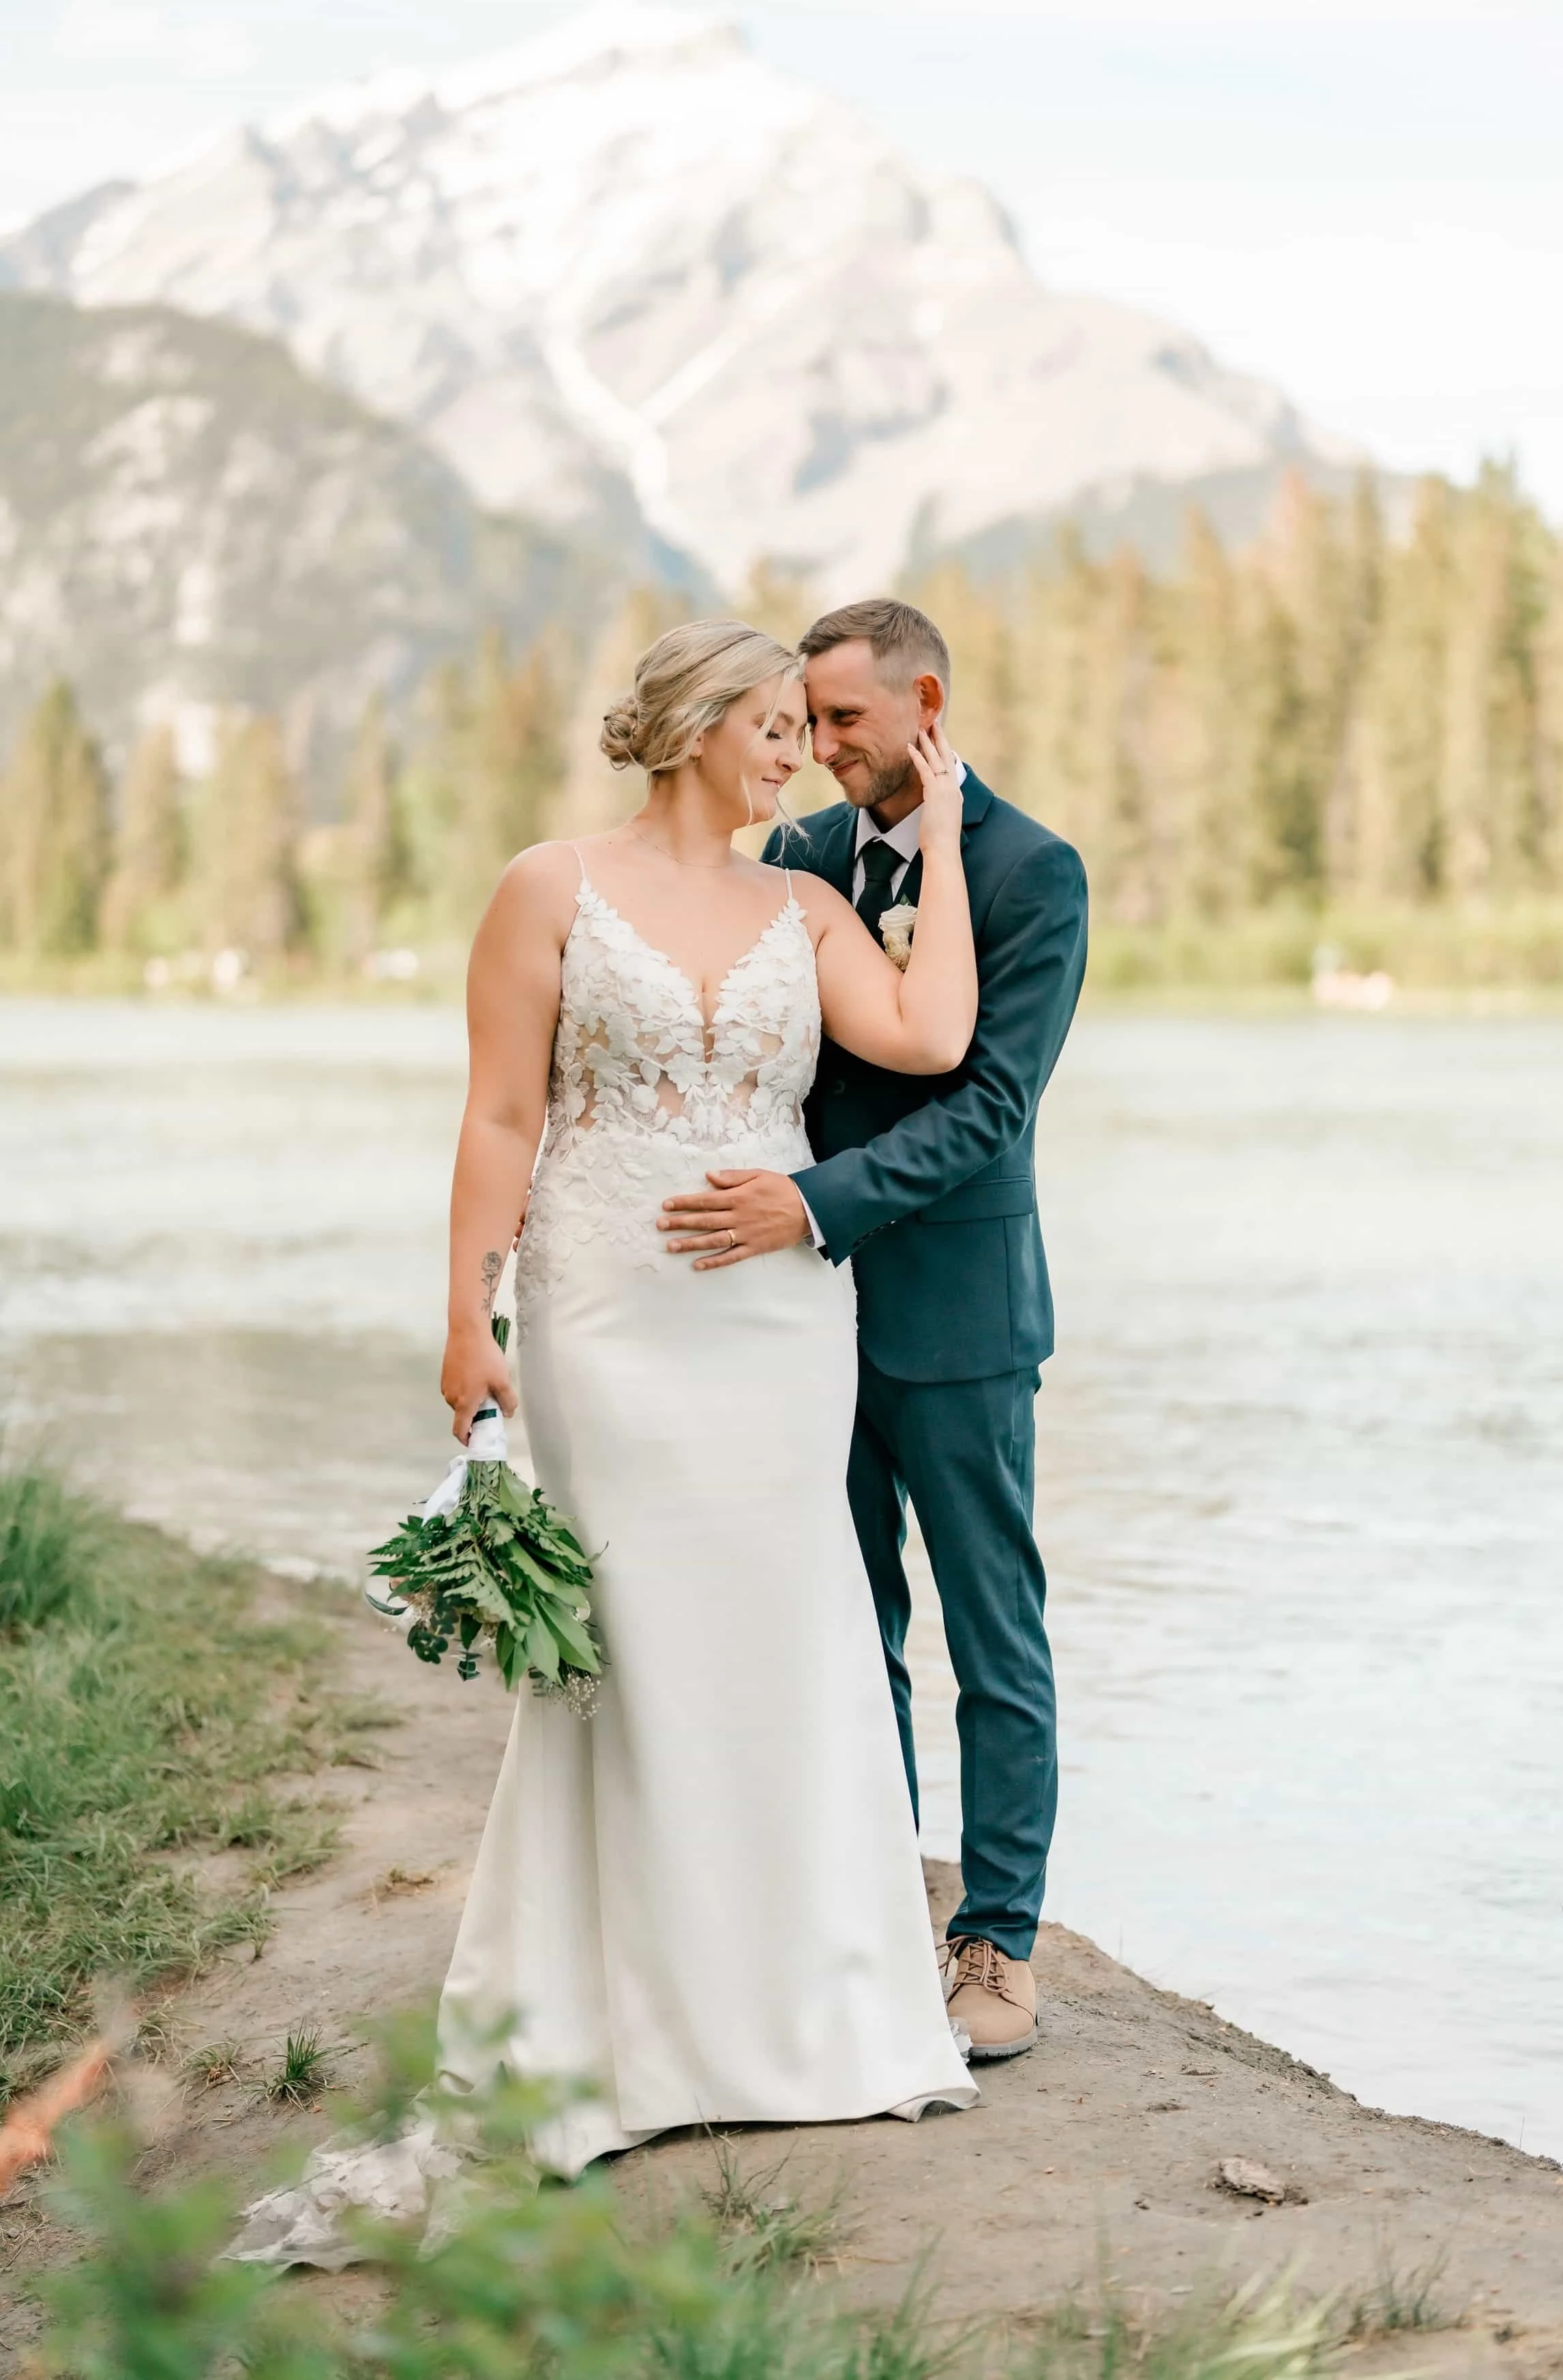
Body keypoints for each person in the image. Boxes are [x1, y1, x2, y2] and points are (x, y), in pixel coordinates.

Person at [424, 618, 979, 2175]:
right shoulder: (549, 886)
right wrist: (468, 1317)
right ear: (693, 723)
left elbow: (930, 1037)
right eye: (775, 722)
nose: (796, 750)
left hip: (779, 1327)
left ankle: (803, 2010)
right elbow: (500, 1114)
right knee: (639, 1640)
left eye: (809, 726)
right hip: (604, 1306)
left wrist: (934, 847)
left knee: (783, 1633)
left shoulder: (804, 903)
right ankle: (631, 2021)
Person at [657, 600, 1089, 2064]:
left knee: (992, 1633)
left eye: (838, 720)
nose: (815, 749)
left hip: (956, 1317)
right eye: (801, 722)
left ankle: (998, 1945)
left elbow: (988, 1110)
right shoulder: (798, 860)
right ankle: (866, 1908)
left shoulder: (1033, 873)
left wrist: (809, 1205)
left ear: (919, 701)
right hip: (802, 1326)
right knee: (850, 1632)